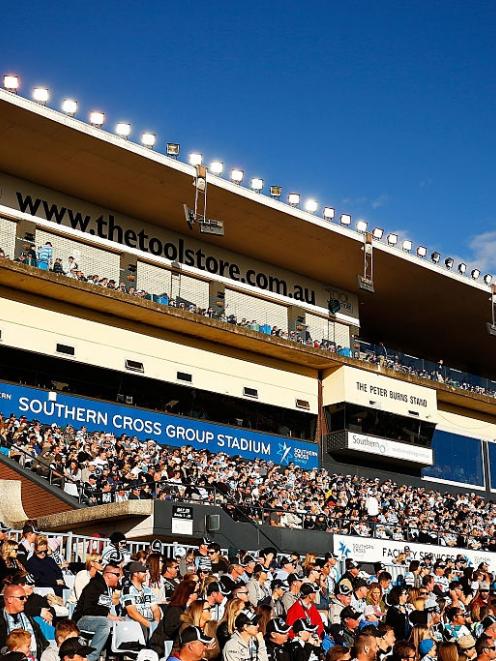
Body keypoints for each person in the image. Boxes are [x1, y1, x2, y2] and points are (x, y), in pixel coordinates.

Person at [72, 564, 122, 661]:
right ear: (108, 575)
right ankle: (91, 658)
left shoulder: (109, 588)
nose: (119, 577)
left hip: (97, 620)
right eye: (117, 574)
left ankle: (114, 656)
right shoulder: (94, 585)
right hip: (82, 620)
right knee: (105, 623)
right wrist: (108, 615)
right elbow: (88, 608)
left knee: (120, 623)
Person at [0, 584, 49, 659]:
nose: (25, 600)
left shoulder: (27, 616)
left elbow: (43, 642)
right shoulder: (2, 620)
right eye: (22, 598)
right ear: (10, 599)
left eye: (26, 597)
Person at [150, 581, 198, 654]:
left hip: (176, 645)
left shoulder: (187, 608)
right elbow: (170, 630)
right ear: (189, 594)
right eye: (197, 592)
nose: (198, 595)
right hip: (162, 647)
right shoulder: (175, 609)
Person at [121, 561, 161, 633]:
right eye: (143, 571)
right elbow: (131, 612)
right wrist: (149, 625)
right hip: (134, 624)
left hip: (150, 623)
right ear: (135, 574)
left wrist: (156, 623)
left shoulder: (147, 590)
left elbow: (155, 609)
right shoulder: (127, 590)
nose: (146, 573)